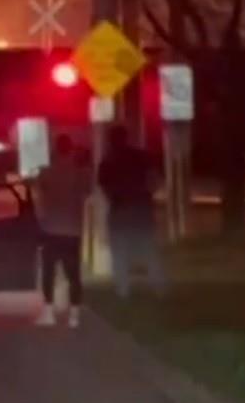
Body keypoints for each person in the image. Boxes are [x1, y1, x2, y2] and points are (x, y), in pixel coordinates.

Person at [98, 124, 166, 298]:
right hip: (141, 211)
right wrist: (146, 194)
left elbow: (106, 189)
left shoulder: (107, 162)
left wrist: (119, 197)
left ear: (111, 141)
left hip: (120, 212)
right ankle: (158, 288)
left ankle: (123, 291)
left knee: (120, 252)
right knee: (149, 250)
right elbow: (155, 180)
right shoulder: (141, 157)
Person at [33, 134, 93, 328]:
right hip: (73, 230)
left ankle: (49, 313)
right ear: (70, 149)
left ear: (56, 149)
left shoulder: (46, 170)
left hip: (50, 228)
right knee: (73, 274)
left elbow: (38, 191)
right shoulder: (79, 171)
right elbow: (88, 190)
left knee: (49, 272)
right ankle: (74, 315)